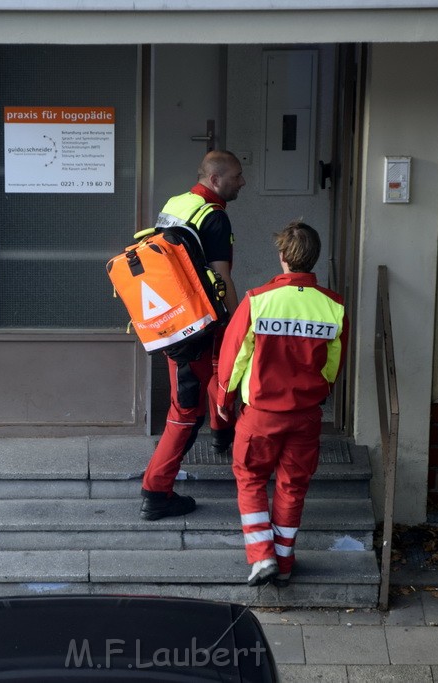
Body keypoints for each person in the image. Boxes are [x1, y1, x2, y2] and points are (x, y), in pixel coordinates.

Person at [215, 220, 348, 586]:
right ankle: (284, 563)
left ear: (282, 257)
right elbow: (332, 366)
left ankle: (261, 558)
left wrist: (224, 398)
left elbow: (234, 357)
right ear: (314, 258)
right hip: (306, 416)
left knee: (251, 478)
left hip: (261, 415)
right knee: (292, 486)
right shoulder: (333, 306)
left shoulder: (258, 300)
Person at [140, 150, 245, 521]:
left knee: (217, 372)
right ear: (216, 180)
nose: (242, 182)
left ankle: (221, 432)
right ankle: (156, 491)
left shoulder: (178, 202)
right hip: (197, 326)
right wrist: (236, 322)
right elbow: (222, 277)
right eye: (236, 176)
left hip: (175, 317)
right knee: (185, 411)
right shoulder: (214, 218)